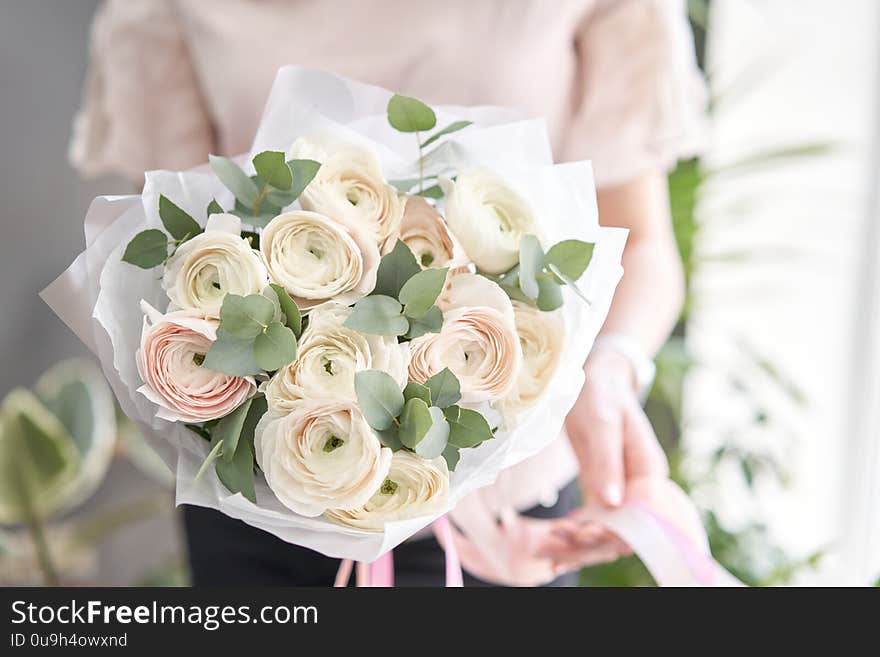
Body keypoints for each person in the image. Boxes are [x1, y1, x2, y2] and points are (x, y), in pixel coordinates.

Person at [71, 0, 705, 586]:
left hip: (511, 517)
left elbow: (642, 243)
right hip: (264, 499)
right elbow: (175, 248)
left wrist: (611, 372)